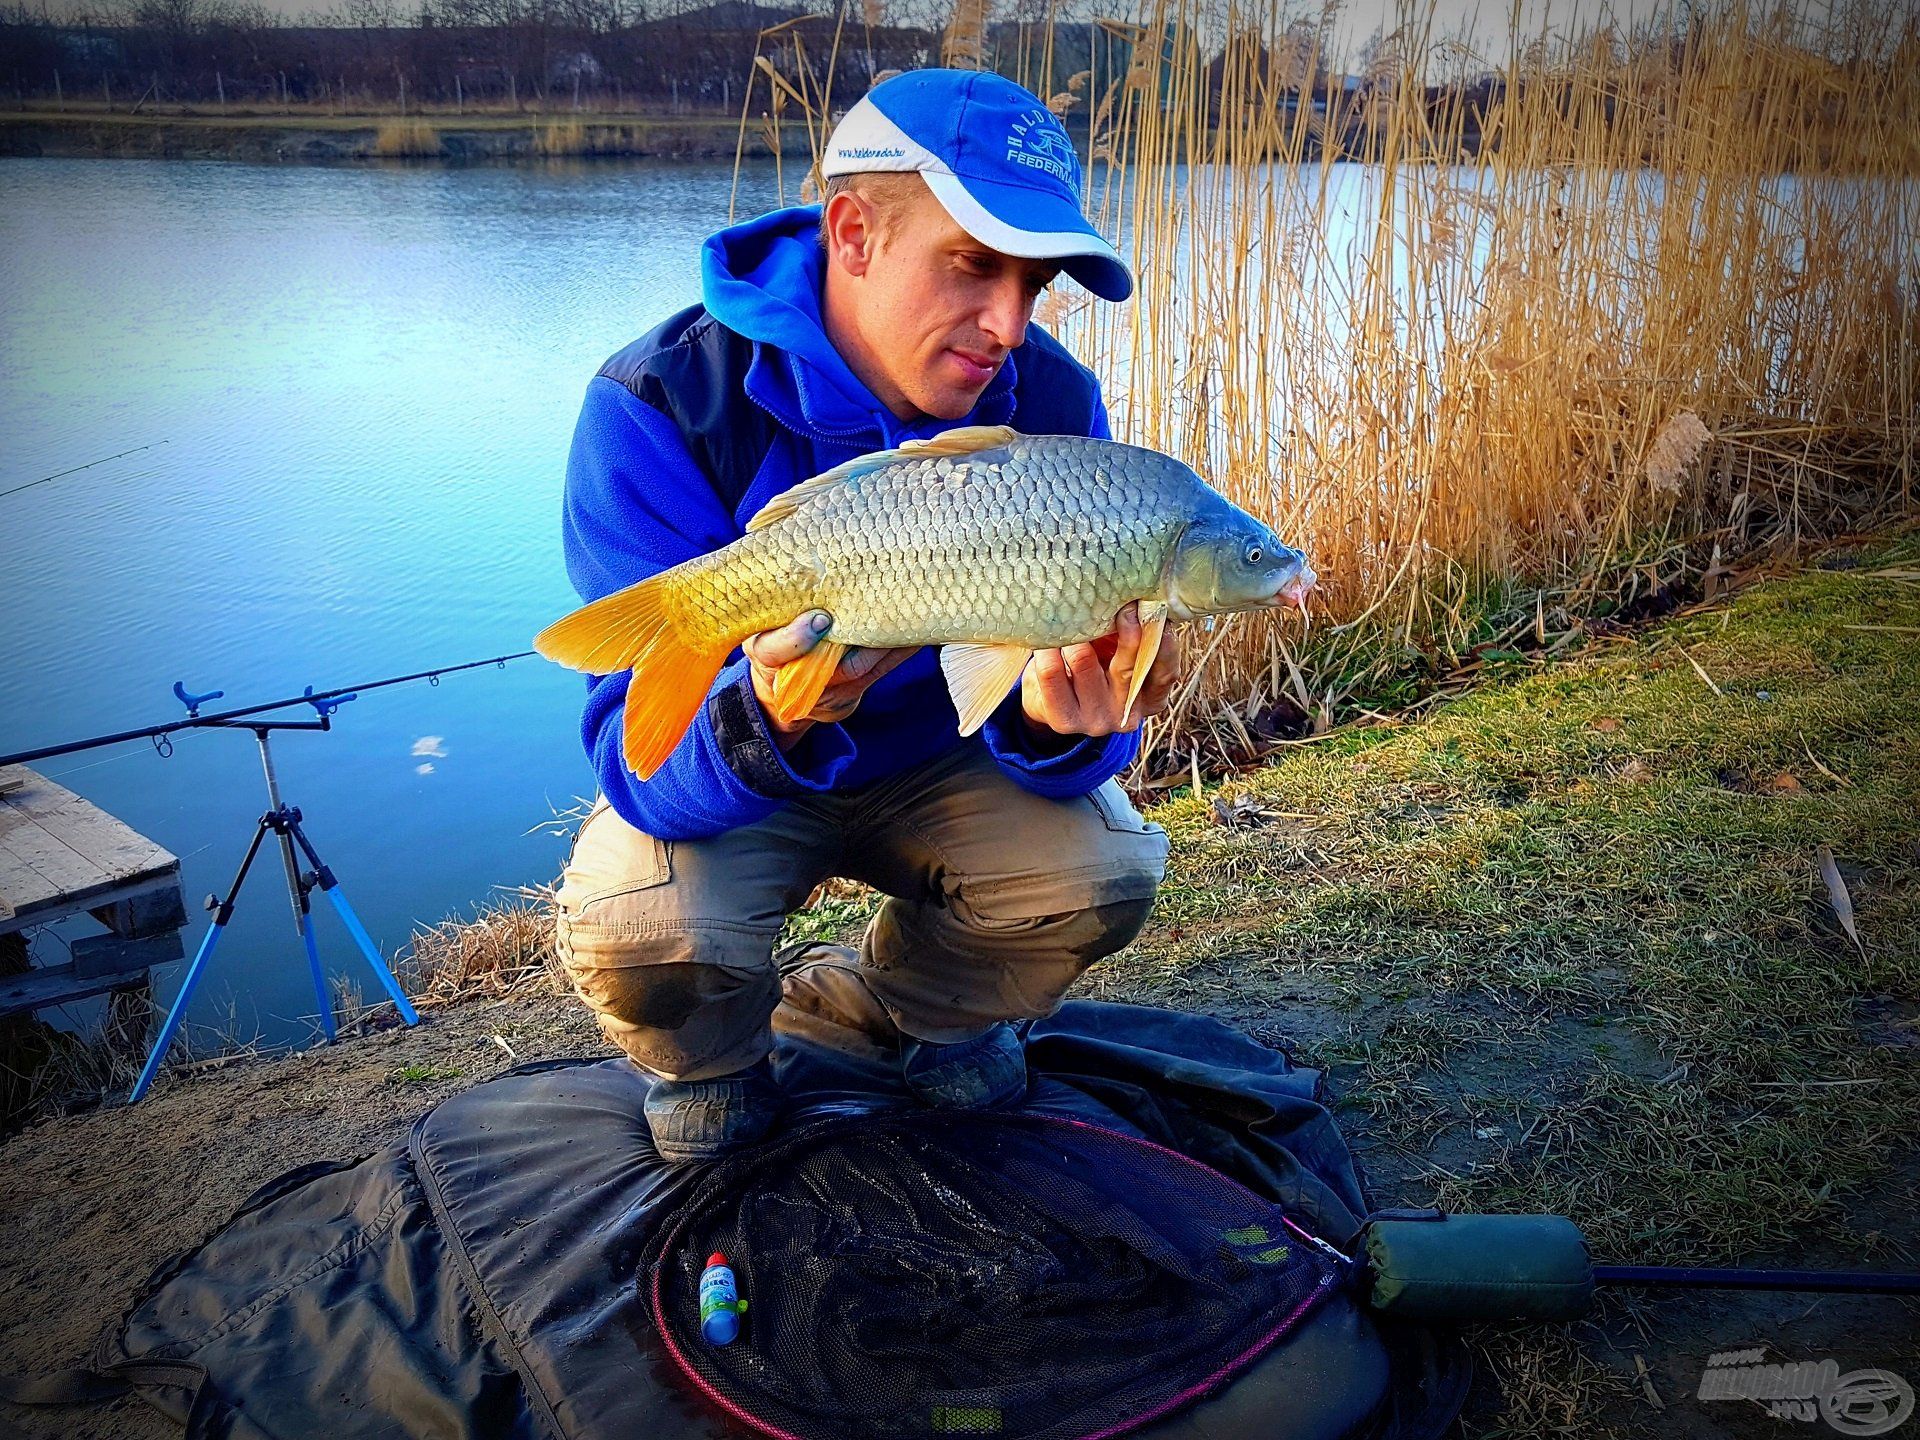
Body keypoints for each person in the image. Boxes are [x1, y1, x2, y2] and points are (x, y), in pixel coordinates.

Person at [551, 68, 1182, 1163]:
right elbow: (638, 767)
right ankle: (713, 1055)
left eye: (1033, 284)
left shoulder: (1052, 406)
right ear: (852, 233)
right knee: (642, 930)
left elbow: (1055, 726)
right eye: (974, 266)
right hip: (746, 785)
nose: (1007, 325)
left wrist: (1062, 722)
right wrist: (768, 721)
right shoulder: (658, 403)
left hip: (944, 763)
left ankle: (912, 1003)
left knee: (1108, 872)